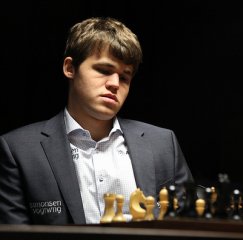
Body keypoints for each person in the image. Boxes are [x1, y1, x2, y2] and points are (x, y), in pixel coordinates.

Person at [0, 17, 193, 225]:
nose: (115, 84)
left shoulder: (163, 143)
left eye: (125, 77)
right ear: (70, 68)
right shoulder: (17, 149)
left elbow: (189, 224)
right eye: (104, 70)